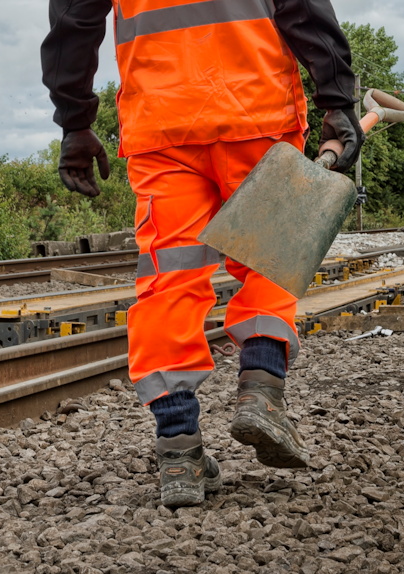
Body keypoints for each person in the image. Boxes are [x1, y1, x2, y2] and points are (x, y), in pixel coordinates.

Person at [41, 0, 365, 507]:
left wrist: (75, 120)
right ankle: (261, 391)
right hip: (255, 103)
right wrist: (336, 99)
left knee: (168, 278)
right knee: (270, 250)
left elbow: (74, 20)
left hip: (161, 120)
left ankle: (179, 453)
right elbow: (301, 6)